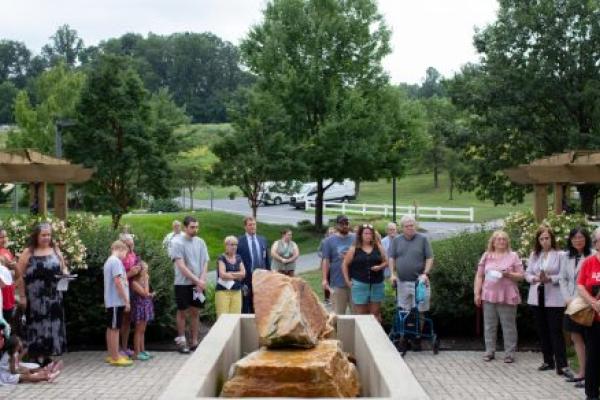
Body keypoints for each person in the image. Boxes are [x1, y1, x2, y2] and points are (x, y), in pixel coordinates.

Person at [16, 223, 68, 367]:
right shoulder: (28, 252)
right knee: (36, 326)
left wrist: (66, 274)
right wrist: (22, 296)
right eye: (43, 235)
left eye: (49, 235)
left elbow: (63, 267)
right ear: (37, 236)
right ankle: (35, 357)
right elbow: (18, 275)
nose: (46, 238)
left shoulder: (56, 250)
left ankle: (46, 357)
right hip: (35, 298)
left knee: (51, 326)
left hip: (54, 296)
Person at [473, 231, 524, 363]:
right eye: (498, 239)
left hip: (508, 295)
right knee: (489, 325)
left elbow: (521, 276)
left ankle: (510, 354)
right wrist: (477, 293)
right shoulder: (487, 255)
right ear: (493, 242)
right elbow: (479, 276)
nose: (501, 241)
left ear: (507, 242)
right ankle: (489, 351)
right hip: (489, 295)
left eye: (504, 239)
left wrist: (508, 274)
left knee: (508, 326)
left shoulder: (513, 256)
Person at [525, 226, 569, 376]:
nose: (544, 241)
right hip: (537, 295)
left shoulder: (560, 255)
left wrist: (550, 278)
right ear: (538, 240)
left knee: (555, 330)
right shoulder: (534, 255)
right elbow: (527, 274)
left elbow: (564, 276)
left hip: (554, 297)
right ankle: (547, 361)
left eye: (547, 238)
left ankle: (562, 364)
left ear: (552, 238)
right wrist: (534, 278)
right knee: (542, 330)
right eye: (541, 239)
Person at [559, 227, 592, 386]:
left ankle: (591, 375)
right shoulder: (566, 257)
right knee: (575, 337)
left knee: (589, 339)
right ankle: (582, 372)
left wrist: (584, 298)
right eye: (574, 237)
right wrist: (567, 298)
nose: (578, 240)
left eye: (581, 237)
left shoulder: (593, 255)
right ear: (570, 240)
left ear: (586, 239)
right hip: (570, 303)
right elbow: (562, 279)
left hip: (587, 302)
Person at [171, 216, 209, 353]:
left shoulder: (200, 242)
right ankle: (182, 342)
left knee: (195, 311)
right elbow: (181, 266)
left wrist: (202, 281)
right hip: (182, 284)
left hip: (198, 284)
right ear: (185, 227)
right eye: (192, 227)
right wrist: (197, 281)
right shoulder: (177, 243)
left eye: (197, 227)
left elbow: (205, 262)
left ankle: (194, 341)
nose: (195, 229)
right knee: (182, 312)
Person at [389, 215, 434, 318]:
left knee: (421, 311)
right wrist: (392, 274)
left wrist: (425, 274)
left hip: (420, 282)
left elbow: (430, 258)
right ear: (402, 228)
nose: (410, 228)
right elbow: (391, 257)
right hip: (402, 281)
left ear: (415, 226)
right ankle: (404, 333)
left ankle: (418, 333)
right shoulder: (397, 240)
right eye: (407, 226)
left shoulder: (423, 239)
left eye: (412, 225)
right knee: (404, 311)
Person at [342, 224, 387, 322]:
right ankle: (364, 336)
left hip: (377, 284)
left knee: (375, 313)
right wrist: (347, 281)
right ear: (360, 235)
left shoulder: (378, 247)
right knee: (362, 314)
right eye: (366, 233)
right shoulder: (354, 249)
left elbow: (386, 262)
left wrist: (380, 267)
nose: (368, 236)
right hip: (359, 284)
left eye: (370, 233)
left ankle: (376, 335)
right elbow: (344, 264)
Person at [577, 227, 600, 400]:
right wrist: (592, 302)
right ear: (596, 243)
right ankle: (591, 393)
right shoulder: (589, 262)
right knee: (593, 356)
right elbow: (580, 285)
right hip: (594, 318)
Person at [103, 240, 133, 367]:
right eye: (125, 253)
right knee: (115, 329)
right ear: (120, 249)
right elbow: (118, 281)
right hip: (116, 301)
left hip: (111, 301)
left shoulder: (109, 261)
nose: (125, 256)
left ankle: (112, 354)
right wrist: (126, 300)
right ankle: (115, 357)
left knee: (111, 328)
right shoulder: (115, 261)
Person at [321, 215, 355, 315]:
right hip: (337, 282)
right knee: (338, 315)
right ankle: (339, 331)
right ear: (337, 225)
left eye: (346, 223)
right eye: (342, 224)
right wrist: (324, 279)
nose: (344, 226)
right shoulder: (328, 241)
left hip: (355, 282)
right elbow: (326, 261)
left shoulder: (356, 238)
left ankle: (353, 331)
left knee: (357, 314)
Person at [237, 216, 270, 314]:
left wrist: (268, 274)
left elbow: (267, 259)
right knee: (246, 304)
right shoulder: (239, 241)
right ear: (245, 227)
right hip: (246, 278)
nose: (253, 227)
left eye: (254, 224)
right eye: (250, 225)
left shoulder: (262, 239)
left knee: (260, 303)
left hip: (261, 278)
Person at [118, 233, 141, 358]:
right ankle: (119, 348)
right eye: (128, 243)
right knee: (121, 320)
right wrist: (131, 273)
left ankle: (125, 347)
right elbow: (118, 278)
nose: (131, 245)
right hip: (123, 290)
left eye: (132, 242)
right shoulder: (119, 258)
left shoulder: (133, 254)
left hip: (133, 289)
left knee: (127, 320)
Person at [215, 236, 246, 317]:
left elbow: (243, 273)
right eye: (232, 244)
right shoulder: (221, 258)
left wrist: (230, 274)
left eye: (236, 244)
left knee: (235, 318)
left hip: (237, 291)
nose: (234, 247)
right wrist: (237, 275)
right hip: (223, 291)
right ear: (226, 245)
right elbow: (222, 275)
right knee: (223, 318)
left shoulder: (238, 257)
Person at [130, 261, 155, 361]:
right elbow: (145, 293)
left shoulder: (143, 280)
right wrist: (146, 281)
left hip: (145, 307)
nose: (147, 272)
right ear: (140, 271)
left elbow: (147, 293)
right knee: (138, 330)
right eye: (145, 270)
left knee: (143, 330)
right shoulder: (135, 283)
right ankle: (136, 352)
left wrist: (150, 294)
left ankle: (142, 350)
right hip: (139, 308)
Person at [0, 230, 18, 329]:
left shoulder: (6, 251)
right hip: (1, 299)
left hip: (9, 296)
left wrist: (14, 266)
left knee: (7, 328)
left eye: (5, 237)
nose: (4, 239)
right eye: (1, 237)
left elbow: (13, 274)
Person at [319, 227, 337, 305]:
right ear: (327, 233)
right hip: (326, 263)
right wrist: (323, 256)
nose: (331, 233)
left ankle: (335, 297)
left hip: (335, 264)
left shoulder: (337, 240)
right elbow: (319, 251)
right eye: (330, 232)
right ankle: (326, 299)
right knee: (327, 280)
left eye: (333, 232)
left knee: (335, 280)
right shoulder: (324, 241)